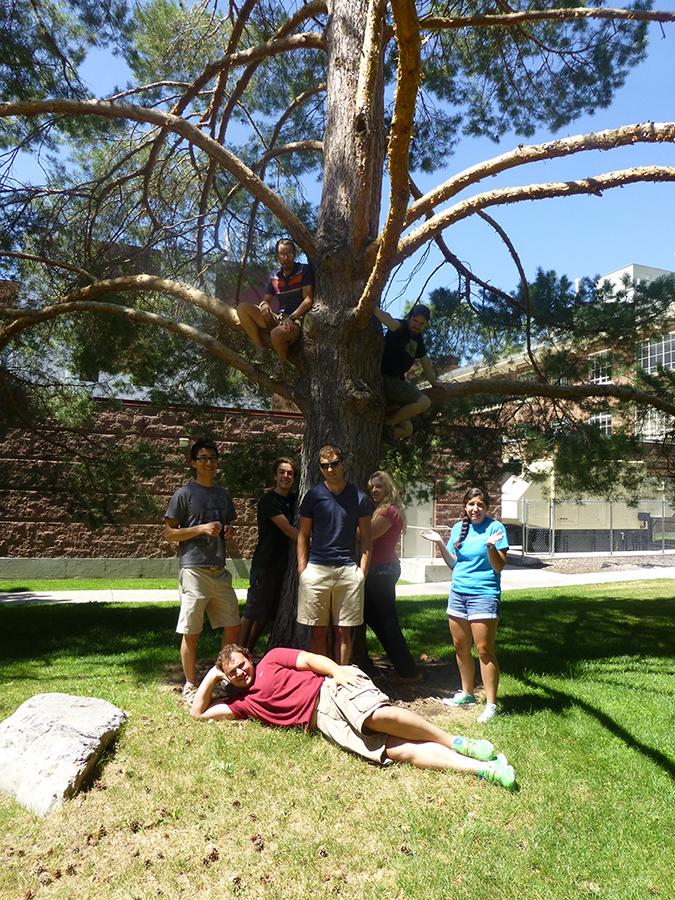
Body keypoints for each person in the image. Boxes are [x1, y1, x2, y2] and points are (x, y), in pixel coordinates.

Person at [190, 644, 516, 790]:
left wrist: (338, 671)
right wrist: (213, 676)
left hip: (331, 689)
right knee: (395, 751)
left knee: (374, 716)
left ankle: (461, 743)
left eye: (241, 664)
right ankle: (485, 768)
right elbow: (199, 713)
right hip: (323, 722)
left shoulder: (273, 659)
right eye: (232, 673)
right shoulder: (242, 702)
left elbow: (311, 660)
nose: (241, 672)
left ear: (249, 657)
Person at [421, 487, 509, 724]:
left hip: (484, 594)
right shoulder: (460, 529)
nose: (475, 509)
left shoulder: (495, 529)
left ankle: (491, 704)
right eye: (471, 504)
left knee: (484, 650)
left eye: (479, 504)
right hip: (458, 593)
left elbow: (498, 566)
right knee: (460, 646)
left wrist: (490, 546)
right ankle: (468, 694)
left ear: (486, 507)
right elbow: (453, 564)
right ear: (465, 507)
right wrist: (440, 542)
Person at [164, 438, 240, 706]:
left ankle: (223, 678)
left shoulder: (223, 494)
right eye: (203, 458)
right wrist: (200, 528)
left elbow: (229, 526)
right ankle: (190, 685)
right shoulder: (184, 494)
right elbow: (168, 533)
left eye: (213, 458)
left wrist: (229, 531)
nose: (209, 463)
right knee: (191, 632)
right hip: (193, 570)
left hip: (220, 570)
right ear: (193, 463)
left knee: (233, 627)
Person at [297, 445, 372, 665]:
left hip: (348, 571)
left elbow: (367, 536)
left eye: (334, 464)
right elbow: (303, 535)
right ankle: (319, 682)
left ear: (343, 464)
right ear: (320, 468)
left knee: (343, 632)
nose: (330, 469)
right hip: (316, 570)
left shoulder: (359, 497)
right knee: (317, 632)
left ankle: (342, 682)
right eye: (325, 466)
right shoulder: (313, 496)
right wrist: (303, 571)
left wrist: (362, 571)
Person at [363, 471, 421, 683]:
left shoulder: (389, 512)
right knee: (374, 617)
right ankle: (403, 667)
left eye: (378, 486)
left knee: (388, 622)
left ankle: (409, 671)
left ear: (389, 488)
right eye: (371, 487)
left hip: (383, 570)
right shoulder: (382, 510)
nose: (374, 490)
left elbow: (364, 534)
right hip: (378, 570)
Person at [239, 457, 299, 652]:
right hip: (265, 565)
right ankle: (238, 653)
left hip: (283, 566)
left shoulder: (294, 499)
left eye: (290, 473)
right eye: (282, 472)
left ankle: (249, 649)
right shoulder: (269, 501)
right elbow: (287, 529)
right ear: (275, 475)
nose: (285, 476)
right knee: (252, 612)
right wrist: (313, 543)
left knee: (265, 615)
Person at [236, 238, 314, 382]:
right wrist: (264, 305)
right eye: (282, 254)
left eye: (289, 253)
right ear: (277, 257)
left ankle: (282, 365)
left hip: (296, 319)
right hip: (279, 317)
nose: (286, 258)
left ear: (294, 254)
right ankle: (261, 350)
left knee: (276, 333)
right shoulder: (273, 276)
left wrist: (292, 318)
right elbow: (266, 300)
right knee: (242, 308)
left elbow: (308, 300)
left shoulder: (304, 270)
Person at [373, 304, 446, 445]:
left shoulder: (418, 339)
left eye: (422, 323)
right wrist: (372, 307)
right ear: (409, 318)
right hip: (387, 380)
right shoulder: (400, 328)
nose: (417, 326)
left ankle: (373, 435)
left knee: (407, 429)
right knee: (424, 402)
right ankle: (387, 426)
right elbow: (388, 320)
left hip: (397, 382)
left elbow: (425, 361)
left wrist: (434, 383)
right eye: (415, 321)